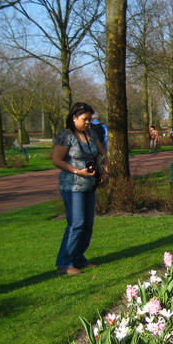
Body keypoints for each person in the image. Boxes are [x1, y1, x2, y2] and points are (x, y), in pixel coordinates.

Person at [52, 102, 109, 275]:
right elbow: (57, 160)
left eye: (90, 120)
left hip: (89, 185)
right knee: (76, 223)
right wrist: (77, 171)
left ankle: (79, 258)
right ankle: (65, 262)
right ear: (74, 117)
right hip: (72, 185)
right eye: (84, 119)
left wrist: (105, 172)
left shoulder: (91, 134)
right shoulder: (65, 136)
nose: (87, 123)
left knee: (87, 225)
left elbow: (102, 154)